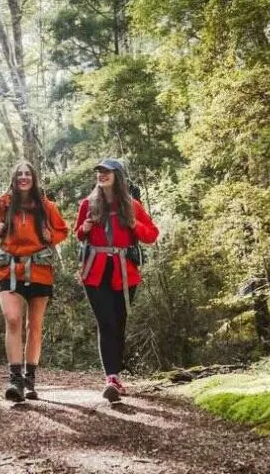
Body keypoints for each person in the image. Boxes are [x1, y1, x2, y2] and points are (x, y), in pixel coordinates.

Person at [75, 158, 159, 402]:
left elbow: (152, 234)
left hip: (124, 271)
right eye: (99, 172)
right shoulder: (88, 204)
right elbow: (78, 233)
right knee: (106, 322)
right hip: (95, 270)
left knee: (119, 322)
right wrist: (86, 228)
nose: (101, 175)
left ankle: (117, 377)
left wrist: (134, 224)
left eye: (106, 172)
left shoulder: (132, 205)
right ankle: (111, 377)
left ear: (118, 176)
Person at [0, 160, 69, 402]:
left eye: (28, 174)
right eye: (19, 174)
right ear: (13, 178)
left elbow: (63, 231)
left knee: (34, 325)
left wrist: (50, 235)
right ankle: (15, 380)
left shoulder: (46, 206)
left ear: (33, 178)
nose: (24, 177)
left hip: (39, 270)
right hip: (10, 268)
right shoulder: (4, 203)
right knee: (12, 319)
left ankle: (30, 378)